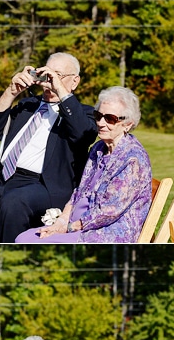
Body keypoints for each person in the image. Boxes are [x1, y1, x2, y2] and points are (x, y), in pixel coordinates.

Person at [0, 52, 98, 243]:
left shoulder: (85, 113)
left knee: (14, 202)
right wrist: (11, 91)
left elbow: (83, 133)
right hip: (1, 177)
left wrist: (61, 92)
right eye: (47, 73)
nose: (50, 80)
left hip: (42, 185)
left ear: (75, 81)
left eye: (57, 75)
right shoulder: (27, 105)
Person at [15, 86, 152, 243]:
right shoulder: (98, 148)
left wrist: (69, 227)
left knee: (33, 242)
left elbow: (109, 212)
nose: (101, 123)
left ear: (127, 124)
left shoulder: (132, 160)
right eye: (98, 115)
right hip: (77, 225)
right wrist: (61, 221)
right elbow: (80, 191)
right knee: (23, 237)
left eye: (110, 119)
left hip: (107, 232)